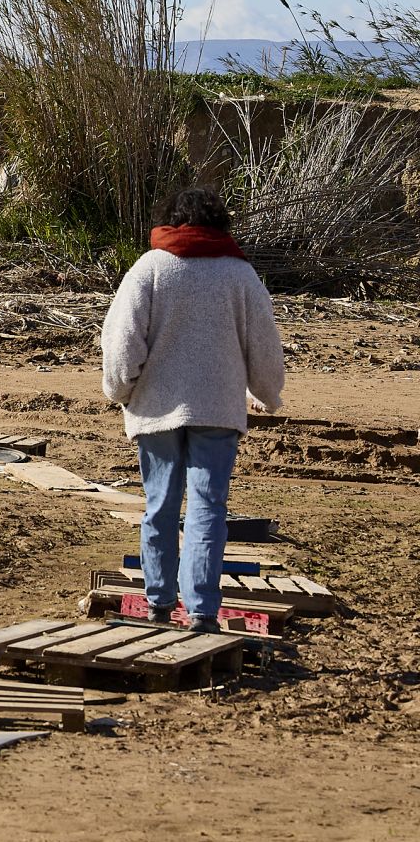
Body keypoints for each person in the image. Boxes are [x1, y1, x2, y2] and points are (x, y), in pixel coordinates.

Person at [100, 187, 286, 633]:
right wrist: (268, 392)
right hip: (218, 408)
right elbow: (264, 344)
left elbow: (122, 341)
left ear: (170, 221)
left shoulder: (149, 268)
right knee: (208, 509)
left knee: (159, 505)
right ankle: (202, 612)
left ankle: (158, 603)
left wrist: (120, 390)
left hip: (156, 410)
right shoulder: (240, 274)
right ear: (218, 223)